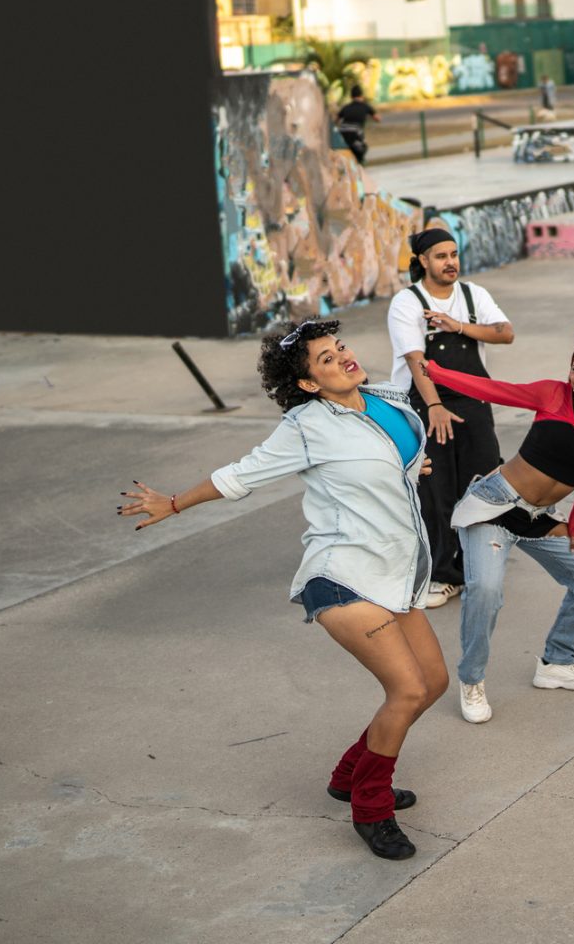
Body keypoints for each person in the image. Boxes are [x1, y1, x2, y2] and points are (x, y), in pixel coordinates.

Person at [120, 320, 443, 861]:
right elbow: (239, 475)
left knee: (433, 683)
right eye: (324, 360)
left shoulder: (385, 399)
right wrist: (173, 503)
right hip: (341, 573)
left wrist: (407, 471)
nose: (342, 357)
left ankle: (348, 775)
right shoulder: (306, 426)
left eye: (339, 347)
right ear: (311, 385)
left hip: (397, 569)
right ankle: (370, 807)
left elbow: (392, 461)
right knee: (407, 691)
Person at [425, 332, 574, 725]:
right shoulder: (552, 395)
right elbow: (493, 390)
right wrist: (436, 372)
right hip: (493, 506)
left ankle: (557, 661)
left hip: (539, 517)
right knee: (486, 590)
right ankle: (471, 679)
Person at [387, 226, 514, 608]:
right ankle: (444, 575)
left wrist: (457, 325)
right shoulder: (407, 302)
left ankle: (482, 563)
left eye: (454, 254)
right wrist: (435, 407)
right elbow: (415, 358)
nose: (450, 262)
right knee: (436, 490)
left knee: (482, 483)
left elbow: (505, 333)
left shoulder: (474, 295)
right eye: (441, 256)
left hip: (475, 401)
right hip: (428, 403)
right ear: (423, 261)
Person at [335, 87, 381, 164]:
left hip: (343, 131)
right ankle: (360, 162)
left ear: (351, 97)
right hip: (355, 131)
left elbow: (336, 120)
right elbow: (377, 119)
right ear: (361, 96)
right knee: (363, 148)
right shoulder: (365, 106)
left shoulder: (346, 107)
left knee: (349, 147)